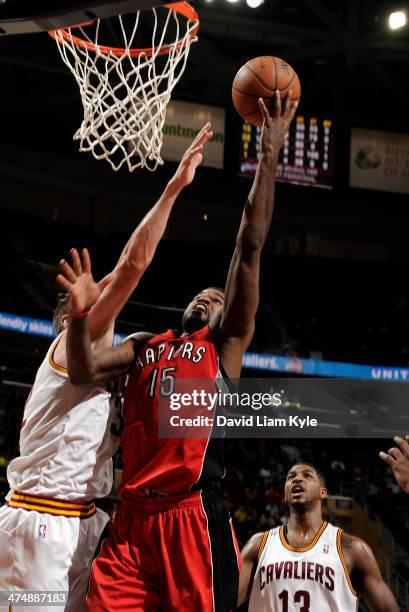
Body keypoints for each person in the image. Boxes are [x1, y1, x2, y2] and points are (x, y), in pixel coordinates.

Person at [57, 92, 298, 611]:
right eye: (199, 293)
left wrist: (269, 151)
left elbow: (248, 245)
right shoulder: (147, 346)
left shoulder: (225, 345)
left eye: (215, 296)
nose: (204, 297)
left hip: (192, 517)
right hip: (130, 520)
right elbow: (83, 368)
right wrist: (79, 320)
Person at [0, 124, 213, 612]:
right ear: (70, 315)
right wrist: (174, 188)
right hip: (42, 523)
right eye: (92, 308)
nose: (106, 307)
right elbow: (133, 265)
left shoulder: (105, 366)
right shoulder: (74, 344)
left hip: (86, 521)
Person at [238, 463, 399, 612]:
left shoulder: (351, 548)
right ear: (285, 496)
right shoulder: (259, 545)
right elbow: (222, 602)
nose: (297, 479)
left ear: (323, 492)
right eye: (291, 477)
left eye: (307, 475)